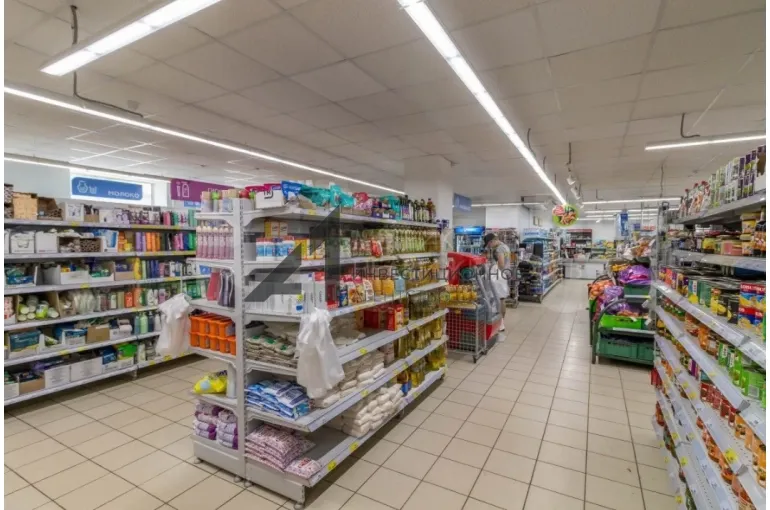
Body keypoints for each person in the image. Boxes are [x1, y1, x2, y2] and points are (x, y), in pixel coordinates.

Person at [483, 232, 510, 332]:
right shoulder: (505, 246)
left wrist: (492, 267)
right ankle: (501, 322)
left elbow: (501, 264)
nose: (489, 246)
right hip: (504, 275)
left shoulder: (499, 249)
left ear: (492, 241)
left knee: (497, 299)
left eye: (489, 244)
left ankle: (500, 323)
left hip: (499, 276)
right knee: (502, 298)